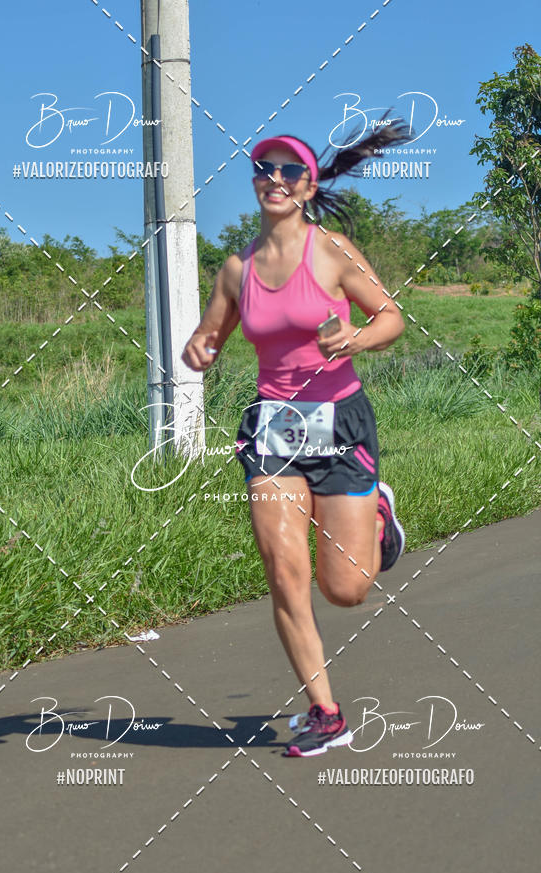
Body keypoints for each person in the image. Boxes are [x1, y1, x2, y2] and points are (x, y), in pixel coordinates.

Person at [182, 120, 409, 757]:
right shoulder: (237, 269)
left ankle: (380, 513)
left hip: (340, 420)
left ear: (307, 186)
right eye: (264, 169)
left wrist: (356, 338)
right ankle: (325, 710)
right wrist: (200, 348)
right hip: (273, 427)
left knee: (347, 589)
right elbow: (211, 336)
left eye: (288, 171)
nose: (274, 179)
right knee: (284, 572)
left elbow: (389, 316)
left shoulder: (332, 252)